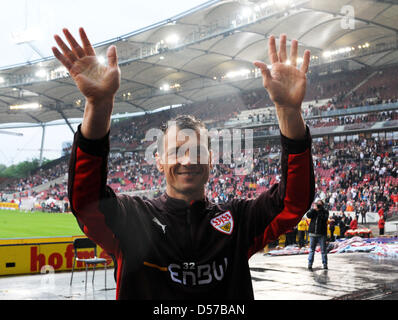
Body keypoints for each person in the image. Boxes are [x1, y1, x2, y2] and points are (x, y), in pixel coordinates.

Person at [53, 28, 314, 299]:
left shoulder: (238, 220)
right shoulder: (133, 219)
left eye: (198, 150)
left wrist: (289, 111)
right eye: (177, 151)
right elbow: (86, 203)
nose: (188, 160)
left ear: (211, 161)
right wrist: (99, 104)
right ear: (159, 161)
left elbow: (292, 201)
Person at [307, 200, 329, 270]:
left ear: (322, 205)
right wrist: (314, 209)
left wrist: (319, 210)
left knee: (323, 250)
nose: (318, 205)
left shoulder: (325, 211)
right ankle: (310, 264)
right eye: (317, 204)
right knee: (311, 250)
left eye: (319, 204)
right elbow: (308, 215)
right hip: (312, 233)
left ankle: (325, 264)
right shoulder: (313, 210)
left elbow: (324, 219)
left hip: (322, 234)